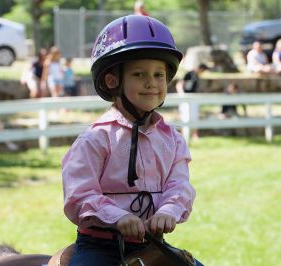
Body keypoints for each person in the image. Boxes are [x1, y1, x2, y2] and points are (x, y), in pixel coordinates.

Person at [62, 15, 202, 266]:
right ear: (112, 80)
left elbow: (179, 185)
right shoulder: (95, 139)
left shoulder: (173, 140)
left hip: (153, 241)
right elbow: (80, 194)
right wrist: (117, 217)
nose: (152, 83)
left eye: (159, 75)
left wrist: (168, 211)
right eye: (140, 74)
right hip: (100, 245)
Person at [175, 63, 209, 140]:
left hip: (193, 99)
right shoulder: (189, 74)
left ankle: (195, 135)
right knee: (184, 116)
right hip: (185, 98)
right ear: (201, 69)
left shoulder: (196, 76)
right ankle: (182, 135)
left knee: (195, 115)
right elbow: (180, 84)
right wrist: (182, 94)